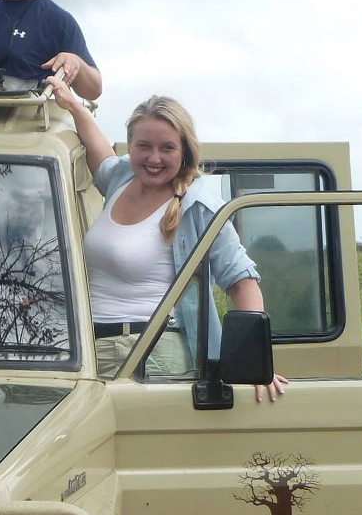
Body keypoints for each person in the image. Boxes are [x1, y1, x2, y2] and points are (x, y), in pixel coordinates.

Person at [46, 76, 288, 401]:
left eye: (167, 147)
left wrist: (254, 362)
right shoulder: (120, 178)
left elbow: (242, 281)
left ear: (185, 151)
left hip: (154, 352)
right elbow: (100, 154)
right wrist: (74, 106)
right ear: (129, 147)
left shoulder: (199, 207)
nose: (154, 158)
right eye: (143, 146)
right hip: (87, 349)